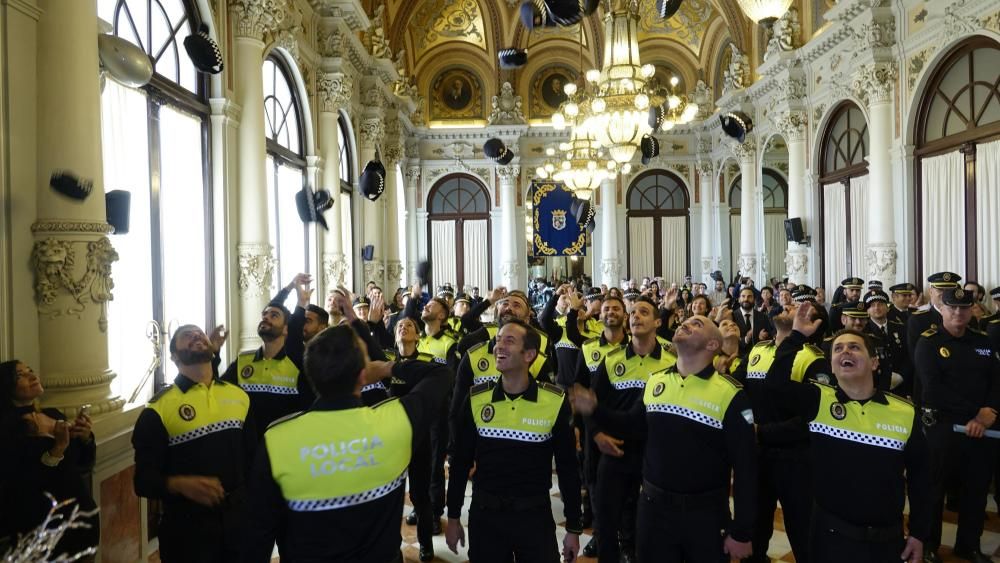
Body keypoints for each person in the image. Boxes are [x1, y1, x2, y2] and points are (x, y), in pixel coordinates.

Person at [242, 325, 451, 563]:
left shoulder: (277, 439)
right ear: (363, 374)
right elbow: (441, 375)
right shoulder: (396, 420)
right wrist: (387, 367)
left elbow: (257, 538)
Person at [572, 315, 756, 562]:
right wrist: (595, 409)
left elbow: (746, 468)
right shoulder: (656, 381)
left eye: (697, 324)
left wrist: (741, 532)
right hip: (653, 509)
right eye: (686, 322)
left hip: (705, 515)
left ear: (713, 345)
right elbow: (633, 425)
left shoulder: (732, 394)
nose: (686, 324)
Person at [766, 302, 929, 563]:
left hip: (886, 540)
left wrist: (920, 533)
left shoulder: (905, 412)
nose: (845, 352)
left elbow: (923, 481)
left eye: (854, 347)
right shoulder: (819, 400)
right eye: (838, 349)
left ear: (874, 362)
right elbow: (774, 386)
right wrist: (796, 336)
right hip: (829, 536)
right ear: (831, 366)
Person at [445, 320, 581, 563]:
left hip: (534, 517)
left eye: (509, 340)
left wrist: (573, 528)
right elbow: (460, 462)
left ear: (529, 354)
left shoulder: (554, 401)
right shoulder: (477, 399)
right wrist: (453, 516)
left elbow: (568, 467)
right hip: (486, 516)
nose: (499, 346)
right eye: (498, 340)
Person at [133, 324, 255, 562]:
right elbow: (143, 481)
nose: (196, 336)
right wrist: (178, 483)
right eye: (186, 336)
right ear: (174, 356)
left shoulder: (239, 396)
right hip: (187, 530)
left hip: (239, 522)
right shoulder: (158, 410)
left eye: (199, 333)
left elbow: (252, 459)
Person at [731, 297, 830, 563]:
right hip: (755, 455)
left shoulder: (813, 360)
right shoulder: (758, 350)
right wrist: (744, 426)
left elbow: (811, 419)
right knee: (754, 528)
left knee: (802, 531)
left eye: (800, 308)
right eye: (788, 305)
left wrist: (761, 431)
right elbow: (735, 392)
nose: (788, 307)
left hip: (794, 458)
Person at [587, 297, 676, 563]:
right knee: (606, 518)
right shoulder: (612, 360)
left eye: (644, 312)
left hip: (654, 453)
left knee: (650, 520)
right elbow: (592, 403)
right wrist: (596, 435)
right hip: (615, 450)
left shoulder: (672, 360)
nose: (636, 317)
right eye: (633, 312)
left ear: (658, 322)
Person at [915, 287, 1000, 563]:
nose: (959, 313)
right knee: (934, 489)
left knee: (975, 490)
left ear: (972, 309)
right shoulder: (928, 342)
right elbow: (933, 389)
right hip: (944, 428)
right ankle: (928, 544)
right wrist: (976, 413)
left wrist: (991, 411)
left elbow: (997, 382)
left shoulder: (983, 340)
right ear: (942, 308)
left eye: (964, 308)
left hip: (982, 428)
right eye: (953, 308)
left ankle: (969, 545)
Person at [0, 361, 98, 557]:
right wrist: (58, 448)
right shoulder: (8, 428)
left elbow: (83, 463)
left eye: (31, 371)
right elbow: (23, 481)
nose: (32, 376)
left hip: (81, 515)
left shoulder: (53, 414)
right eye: (20, 375)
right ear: (7, 386)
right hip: (43, 523)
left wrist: (85, 437)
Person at [221, 274, 310, 440]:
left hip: (288, 443)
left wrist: (301, 304)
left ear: (286, 329)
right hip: (249, 445)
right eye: (264, 315)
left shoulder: (297, 361)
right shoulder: (244, 361)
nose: (266, 318)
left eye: (274, 316)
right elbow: (220, 389)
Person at [734, 287, 771, 354]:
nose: (746, 299)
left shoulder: (763, 317)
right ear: (739, 299)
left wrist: (763, 338)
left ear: (754, 300)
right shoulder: (732, 316)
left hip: (758, 356)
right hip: (738, 356)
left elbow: (770, 335)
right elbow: (729, 341)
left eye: (749, 297)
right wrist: (746, 339)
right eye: (743, 296)